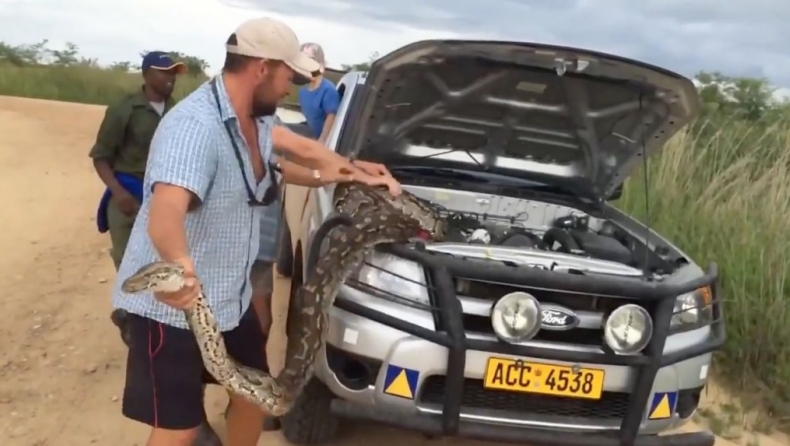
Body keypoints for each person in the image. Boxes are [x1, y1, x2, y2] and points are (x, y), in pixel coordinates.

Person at [111, 17, 400, 446]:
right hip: (175, 308)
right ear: (262, 68)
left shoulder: (258, 119)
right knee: (179, 428)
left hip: (230, 297)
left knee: (255, 397)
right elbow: (165, 212)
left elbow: (299, 150)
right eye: (289, 76)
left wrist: (356, 173)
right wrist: (181, 270)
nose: (291, 88)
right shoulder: (196, 128)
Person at [89, 51, 186, 345]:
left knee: (162, 261)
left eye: (172, 73)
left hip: (162, 197)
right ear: (146, 74)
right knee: (128, 261)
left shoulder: (177, 111)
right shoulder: (124, 109)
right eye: (162, 72)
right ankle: (129, 317)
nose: (169, 78)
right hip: (129, 195)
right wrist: (119, 194)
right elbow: (101, 157)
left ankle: (149, 322)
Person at [297, 43, 340, 143]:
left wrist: (322, 140)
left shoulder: (328, 90)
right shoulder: (303, 91)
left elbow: (331, 117)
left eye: (310, 60)